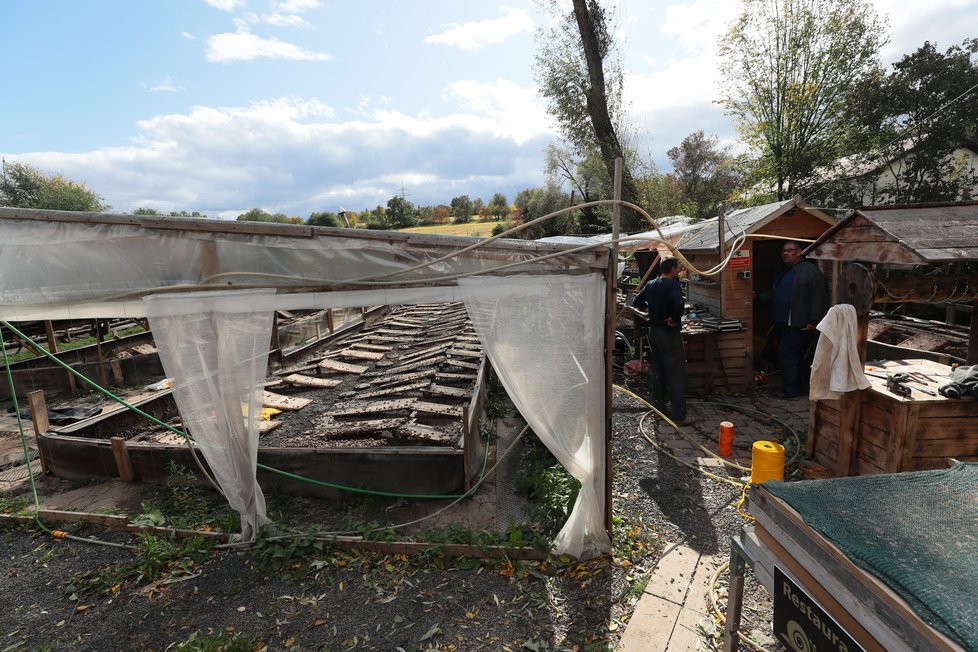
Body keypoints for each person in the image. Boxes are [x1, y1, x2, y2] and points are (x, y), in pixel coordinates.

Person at [633, 257, 689, 424]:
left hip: (654, 332)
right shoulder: (673, 285)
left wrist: (649, 309)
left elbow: (637, 301)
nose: (679, 269)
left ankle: (659, 408)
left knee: (658, 370)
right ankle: (678, 416)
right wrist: (675, 319)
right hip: (668, 334)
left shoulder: (651, 284)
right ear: (672, 269)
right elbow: (679, 302)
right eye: (678, 267)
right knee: (675, 372)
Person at [772, 240, 829, 398]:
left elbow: (818, 297)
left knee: (787, 357)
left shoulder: (809, 271)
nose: (785, 253)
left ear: (800, 252)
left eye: (790, 250)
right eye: (784, 250)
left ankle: (790, 392)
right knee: (790, 357)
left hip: (799, 325)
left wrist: (813, 320)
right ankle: (796, 388)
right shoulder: (786, 271)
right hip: (783, 324)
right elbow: (780, 293)